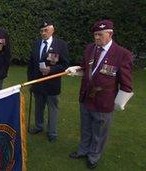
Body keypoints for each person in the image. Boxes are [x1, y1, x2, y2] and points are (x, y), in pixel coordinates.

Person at [66, 20, 133, 169]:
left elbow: (127, 83)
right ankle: (83, 150)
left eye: (100, 35)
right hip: (85, 97)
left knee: (99, 132)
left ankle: (93, 156)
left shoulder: (122, 54)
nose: (96, 38)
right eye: (95, 35)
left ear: (110, 34)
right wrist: (75, 69)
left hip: (104, 101)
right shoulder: (90, 48)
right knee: (85, 128)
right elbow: (86, 68)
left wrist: (120, 101)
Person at [27, 19, 69, 142]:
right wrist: (30, 81)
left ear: (52, 30)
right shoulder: (36, 43)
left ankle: (52, 132)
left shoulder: (61, 45)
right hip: (37, 83)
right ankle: (39, 126)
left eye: (46, 30)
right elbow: (31, 65)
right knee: (39, 107)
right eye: (41, 31)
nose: (43, 32)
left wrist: (51, 69)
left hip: (52, 83)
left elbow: (65, 64)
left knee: (52, 108)